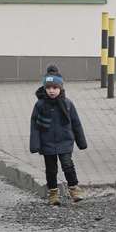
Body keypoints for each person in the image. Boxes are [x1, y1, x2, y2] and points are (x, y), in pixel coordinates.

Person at [30, 65, 88, 205]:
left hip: (65, 141)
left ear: (60, 88)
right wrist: (35, 144)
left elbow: (76, 123)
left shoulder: (67, 104)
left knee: (68, 165)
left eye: (55, 88)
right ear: (44, 88)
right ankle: (53, 193)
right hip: (47, 143)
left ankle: (74, 189)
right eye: (48, 88)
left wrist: (81, 142)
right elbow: (35, 126)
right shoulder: (40, 105)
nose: (51, 91)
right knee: (51, 169)